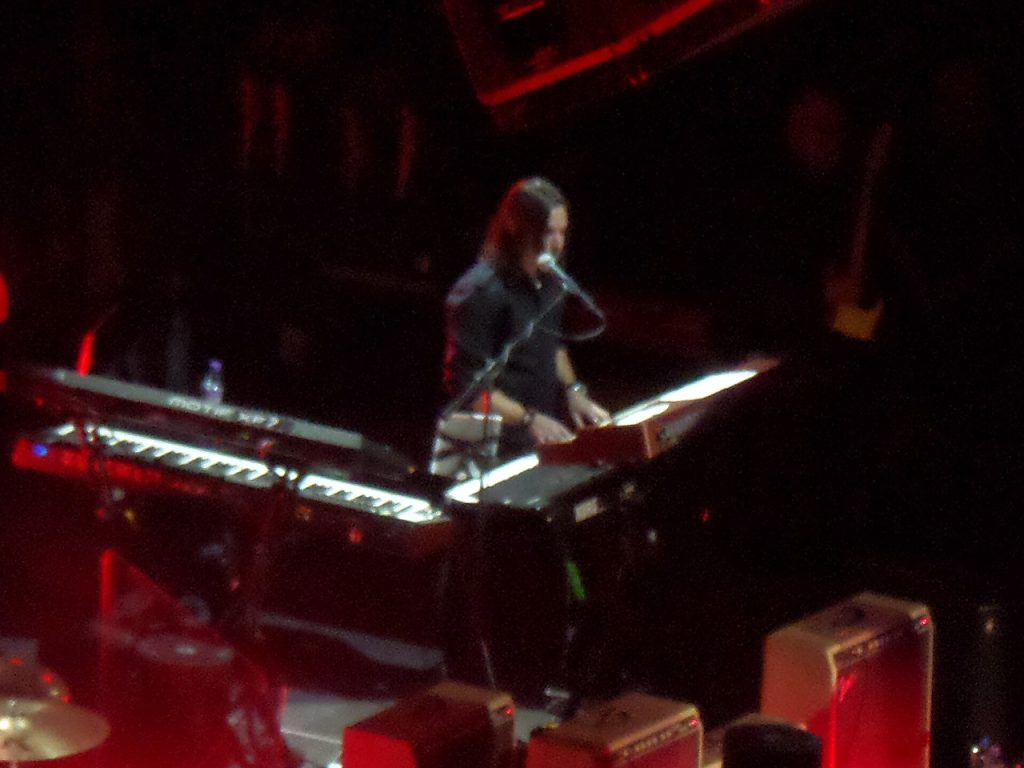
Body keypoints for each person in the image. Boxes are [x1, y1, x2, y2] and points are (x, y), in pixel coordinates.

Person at [442, 176, 610, 461]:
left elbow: (552, 344)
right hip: (492, 450)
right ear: (517, 229)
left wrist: (573, 390)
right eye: (548, 232)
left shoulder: (551, 281)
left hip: (538, 440)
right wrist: (529, 419)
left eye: (563, 232)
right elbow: (469, 391)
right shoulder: (480, 292)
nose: (558, 244)